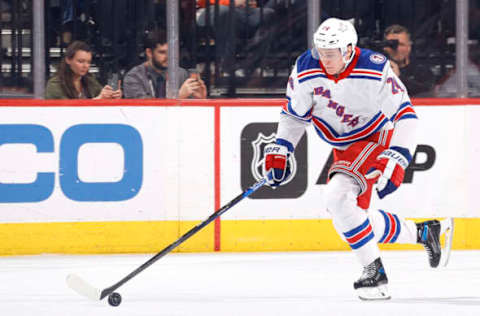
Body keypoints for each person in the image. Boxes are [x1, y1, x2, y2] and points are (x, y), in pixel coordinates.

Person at [262, 18, 454, 300]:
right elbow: (294, 114)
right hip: (345, 144)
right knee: (351, 220)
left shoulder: (374, 68)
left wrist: (397, 156)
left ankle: (374, 273)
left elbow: (406, 115)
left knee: (337, 198)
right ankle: (425, 233)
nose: (323, 58)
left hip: (375, 136)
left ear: (349, 49)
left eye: (331, 53)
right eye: (320, 52)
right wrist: (282, 148)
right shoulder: (305, 67)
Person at [123, 29, 207, 99]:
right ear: (149, 53)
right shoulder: (134, 77)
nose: (168, 57)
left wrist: (200, 100)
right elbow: (143, 112)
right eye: (162, 52)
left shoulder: (182, 74)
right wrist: (177, 97)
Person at [45, 40, 122, 99]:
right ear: (68, 60)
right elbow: (65, 110)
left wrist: (111, 96)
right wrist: (97, 100)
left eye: (88, 62)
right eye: (81, 61)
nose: (85, 66)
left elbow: (101, 99)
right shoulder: (55, 84)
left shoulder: (90, 81)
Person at [383, 24, 435, 97]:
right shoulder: (377, 71)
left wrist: (399, 77)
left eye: (401, 44)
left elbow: (426, 92)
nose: (396, 48)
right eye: (391, 45)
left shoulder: (423, 72)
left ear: (409, 47)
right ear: (384, 47)